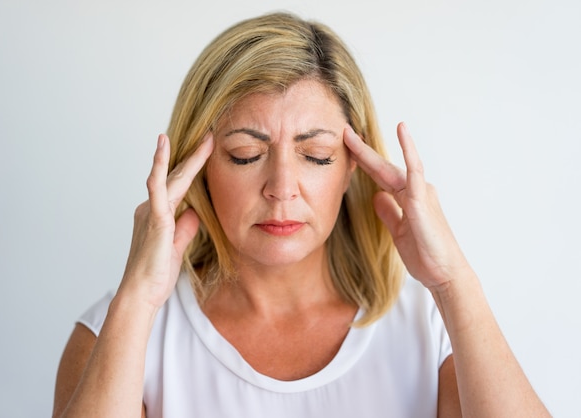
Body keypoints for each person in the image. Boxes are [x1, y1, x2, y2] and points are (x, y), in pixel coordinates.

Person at [52, 12, 550, 418]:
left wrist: (454, 283)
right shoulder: (116, 336)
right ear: (198, 168)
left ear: (353, 165)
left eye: (315, 155)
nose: (282, 190)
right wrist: (137, 300)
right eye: (247, 153)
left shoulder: (433, 330)